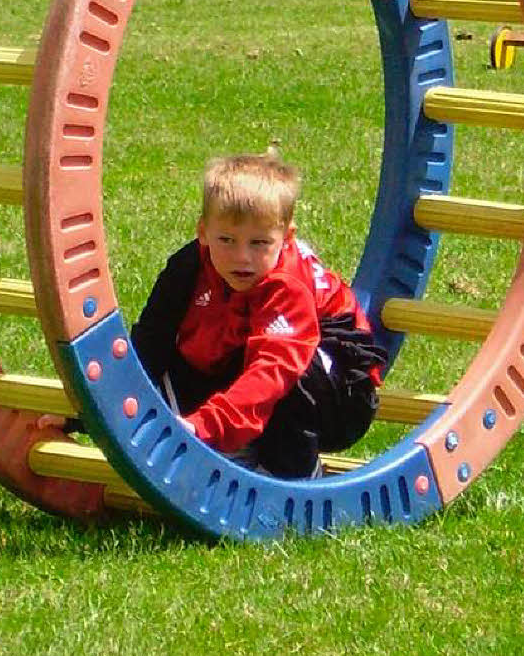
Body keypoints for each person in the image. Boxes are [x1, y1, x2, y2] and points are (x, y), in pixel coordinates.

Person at [129, 151, 387, 479]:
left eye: (259, 242)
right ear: (203, 232)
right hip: (246, 360)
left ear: (287, 237)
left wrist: (206, 425)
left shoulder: (287, 284)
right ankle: (224, 451)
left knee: (289, 374)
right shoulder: (187, 266)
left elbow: (273, 372)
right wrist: (93, 416)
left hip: (336, 392)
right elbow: (148, 345)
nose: (242, 257)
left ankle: (295, 478)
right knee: (172, 357)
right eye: (226, 240)